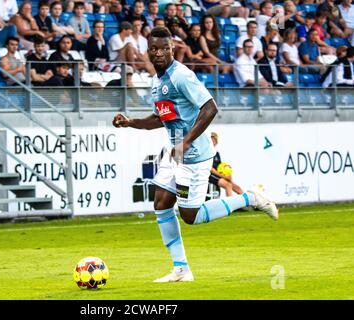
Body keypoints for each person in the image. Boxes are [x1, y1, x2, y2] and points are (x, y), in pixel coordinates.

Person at [112, 27, 279, 283]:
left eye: (164, 48)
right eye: (154, 49)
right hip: (176, 151)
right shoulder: (158, 81)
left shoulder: (181, 76)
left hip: (194, 155)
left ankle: (249, 198)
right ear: (148, 51)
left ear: (171, 49)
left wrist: (186, 143)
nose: (159, 53)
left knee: (191, 216)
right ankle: (181, 269)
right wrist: (130, 122)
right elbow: (161, 118)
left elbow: (210, 108)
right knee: (161, 203)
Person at [208, 132, 244, 197]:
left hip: (218, 175)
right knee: (228, 185)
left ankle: (246, 205)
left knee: (237, 188)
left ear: (216, 142)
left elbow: (219, 167)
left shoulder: (217, 153)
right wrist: (224, 176)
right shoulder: (207, 153)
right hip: (210, 175)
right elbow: (210, 169)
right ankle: (231, 205)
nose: (213, 142)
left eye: (214, 140)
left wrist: (227, 173)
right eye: (211, 140)